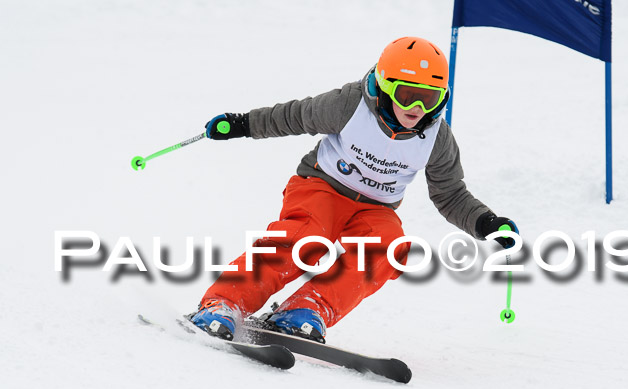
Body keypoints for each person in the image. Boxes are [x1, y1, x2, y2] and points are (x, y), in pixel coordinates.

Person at [188, 37, 518, 343]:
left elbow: (450, 194)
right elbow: (295, 116)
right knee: (305, 237)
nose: (416, 107)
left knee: (389, 249)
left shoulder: (437, 138)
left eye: (428, 98)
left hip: (376, 209)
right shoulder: (350, 105)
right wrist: (243, 124)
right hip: (321, 187)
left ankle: (305, 309)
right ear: (386, 86)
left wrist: (485, 224)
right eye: (407, 94)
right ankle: (224, 303)